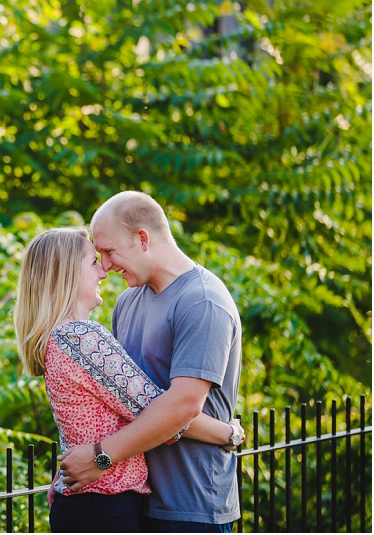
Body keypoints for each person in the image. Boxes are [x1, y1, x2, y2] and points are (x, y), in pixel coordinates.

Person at [13, 226, 242, 533]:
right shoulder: (82, 336)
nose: (103, 272)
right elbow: (162, 413)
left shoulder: (59, 338)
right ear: (67, 273)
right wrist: (229, 433)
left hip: (90, 504)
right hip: (103, 507)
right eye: (93, 261)